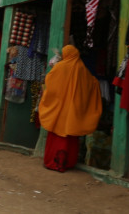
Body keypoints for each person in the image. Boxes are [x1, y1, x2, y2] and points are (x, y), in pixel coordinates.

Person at [38, 44, 102, 172]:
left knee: (56, 137)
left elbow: (49, 81)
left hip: (59, 112)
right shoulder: (83, 69)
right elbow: (93, 83)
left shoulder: (60, 67)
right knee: (71, 138)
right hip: (73, 114)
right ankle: (67, 163)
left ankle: (53, 163)